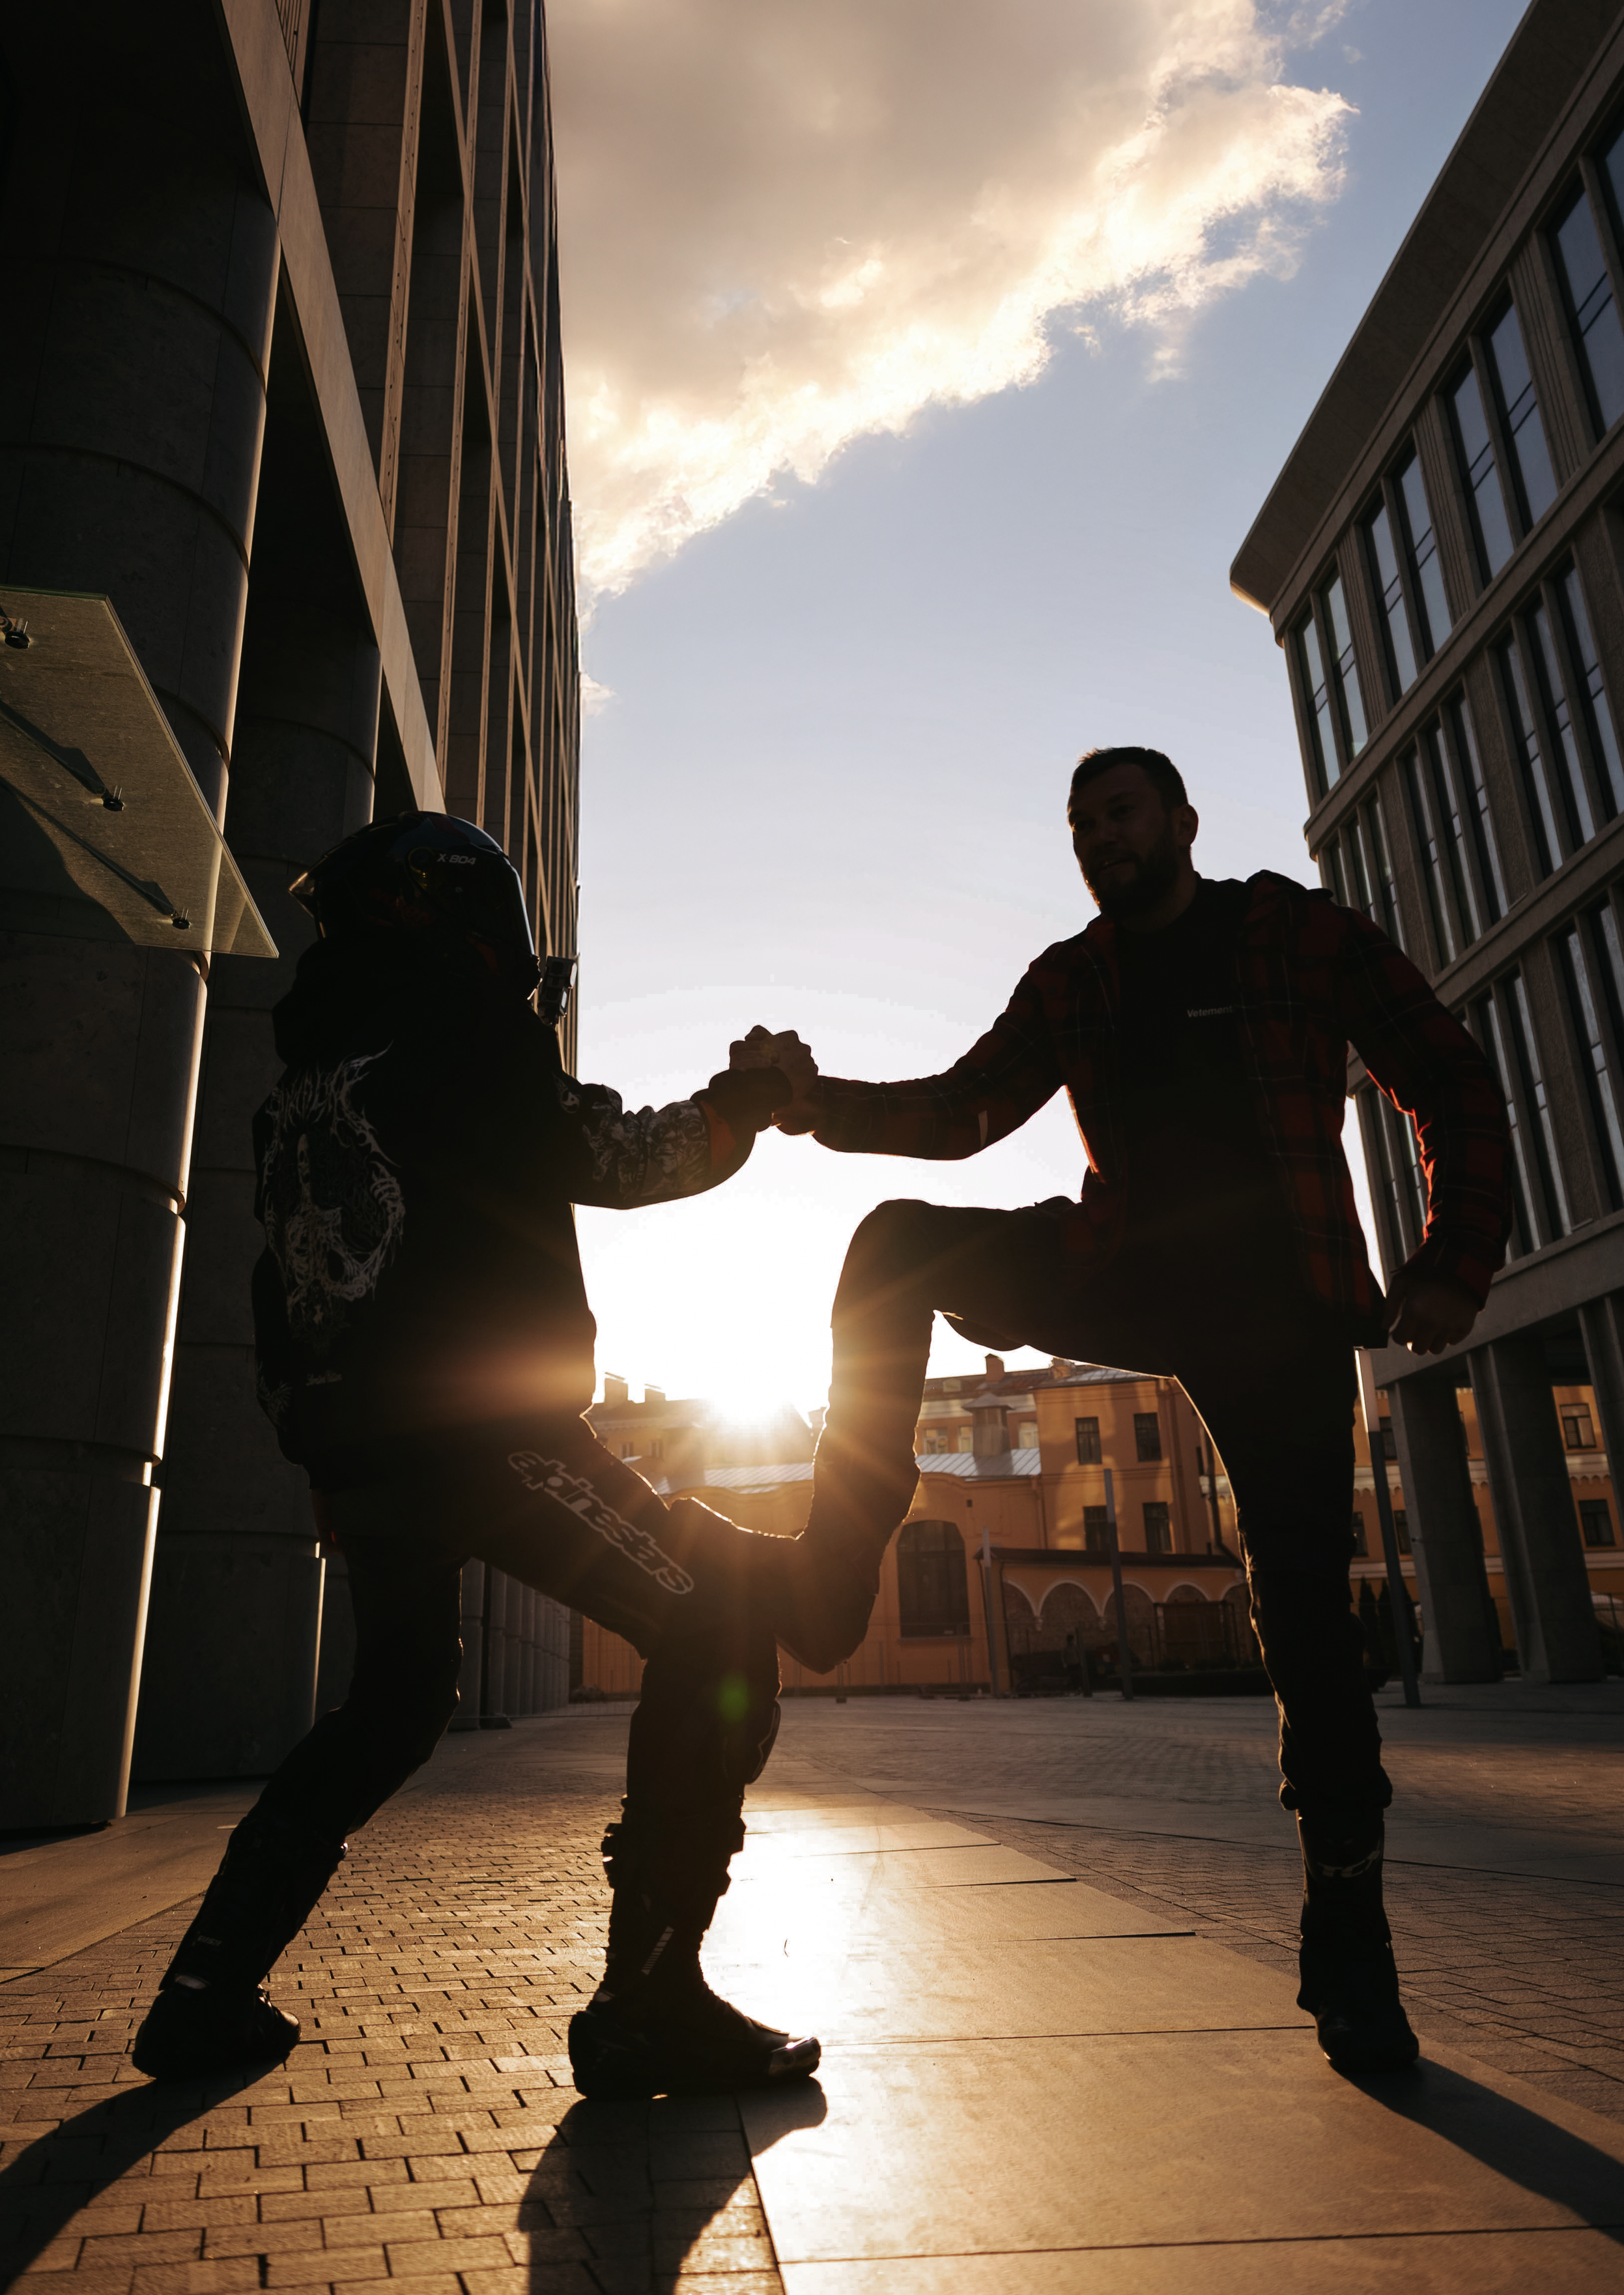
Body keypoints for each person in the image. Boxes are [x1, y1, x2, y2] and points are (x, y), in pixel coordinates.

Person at [750, 746, 1509, 2075]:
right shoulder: (1075, 975)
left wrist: (1451, 1260)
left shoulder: (1295, 933)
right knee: (889, 1245)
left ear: (1180, 823)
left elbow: (1446, 1073)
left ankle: (1350, 1942)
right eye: (1080, 823)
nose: (1101, 837)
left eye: (1122, 814)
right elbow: (962, 1109)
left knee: (1305, 1620)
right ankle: (831, 1572)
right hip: (1118, 1270)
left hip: (1276, 1306)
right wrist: (816, 1108)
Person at [132, 813, 821, 2100]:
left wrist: (325, 1460)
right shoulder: (463, 1032)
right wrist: (744, 1103)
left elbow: (279, 1294)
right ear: (465, 925)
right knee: (714, 1624)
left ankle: (201, 1992)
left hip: (361, 1453)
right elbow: (618, 1156)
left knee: (392, 1704)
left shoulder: (296, 1089)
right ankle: (649, 1998)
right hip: (487, 1437)